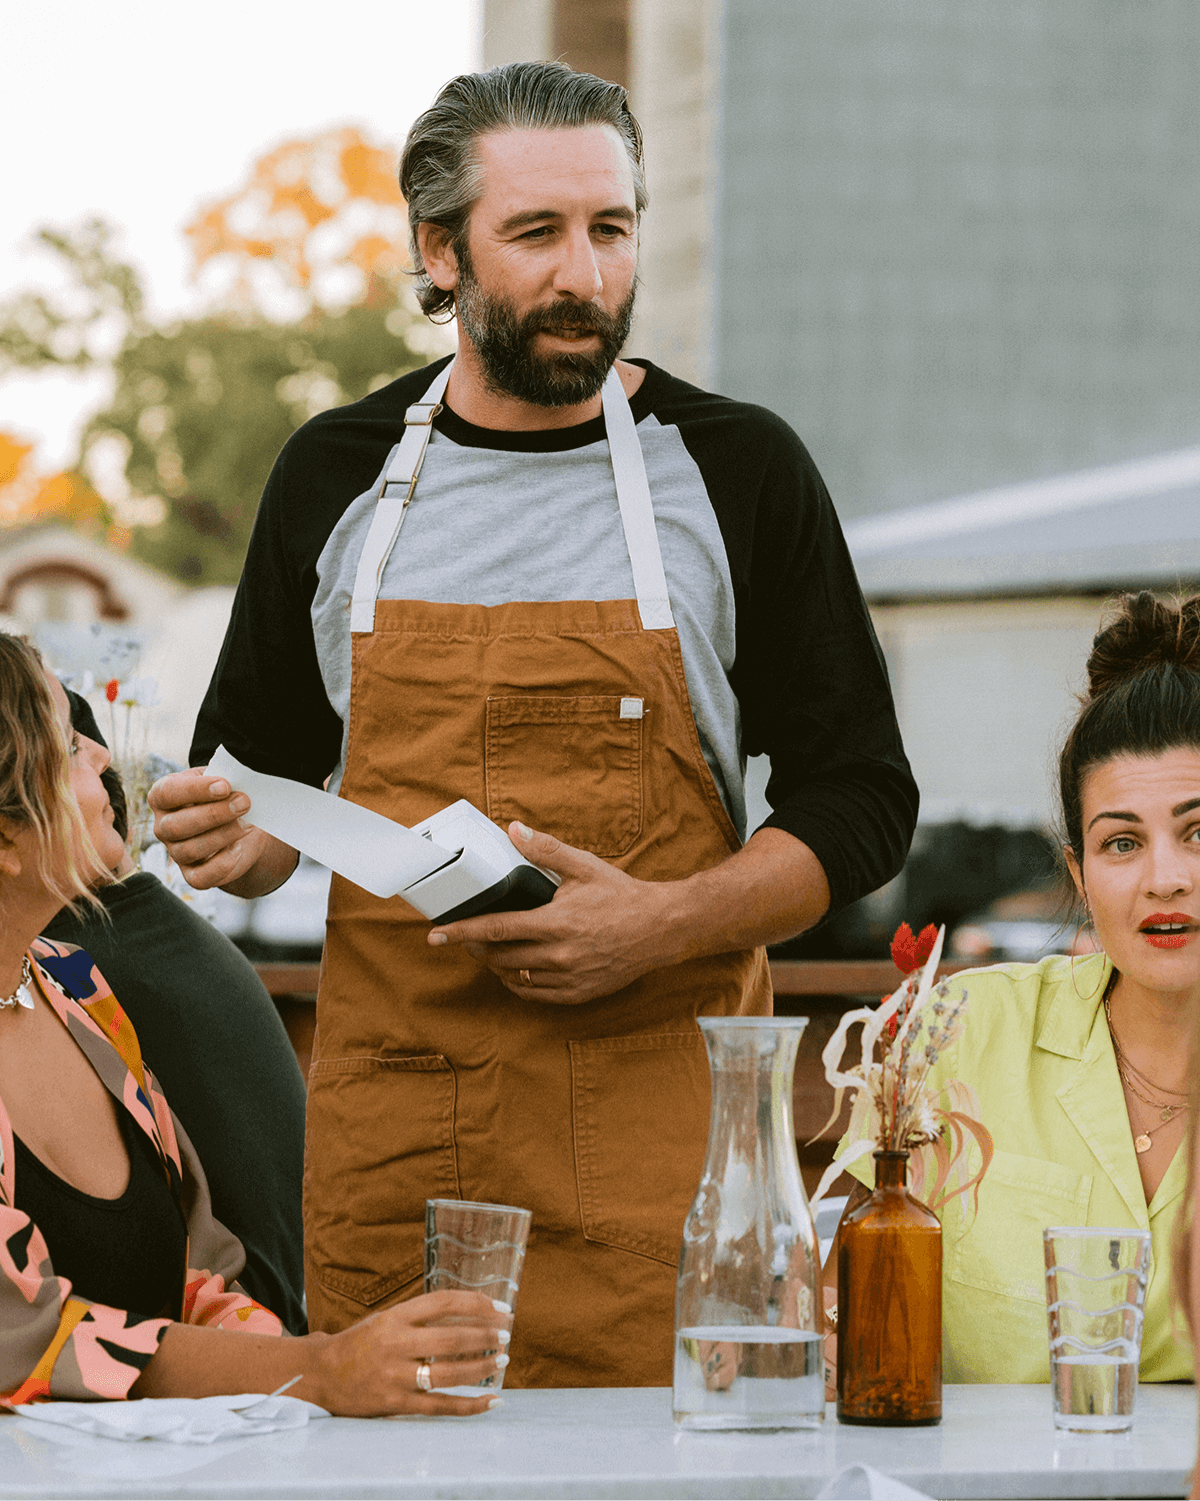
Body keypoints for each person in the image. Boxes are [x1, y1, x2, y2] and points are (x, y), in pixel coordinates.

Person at [148, 61, 918, 1387]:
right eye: (537, 233)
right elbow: (262, 796)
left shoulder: (737, 468)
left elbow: (860, 801)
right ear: (440, 253)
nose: (585, 275)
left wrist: (661, 920)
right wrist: (231, 837)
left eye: (611, 230)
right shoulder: (335, 474)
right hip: (399, 1159)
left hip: (659, 1166)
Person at [0, 634, 510, 1410]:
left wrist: (336, 1358)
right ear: (5, 836)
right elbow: (25, 1342)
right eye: (70, 745)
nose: (104, 758)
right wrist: (320, 1372)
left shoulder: (75, 986)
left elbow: (197, 1269)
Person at [829, 590, 1200, 1384]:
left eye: (1198, 831)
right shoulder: (955, 1033)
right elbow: (836, 1320)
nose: (1165, 878)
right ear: (1079, 873)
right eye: (1123, 842)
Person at [42, 690, 308, 1335]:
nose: (107, 756)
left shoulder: (72, 972)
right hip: (251, 1323)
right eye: (72, 746)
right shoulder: (132, 937)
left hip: (223, 1337)